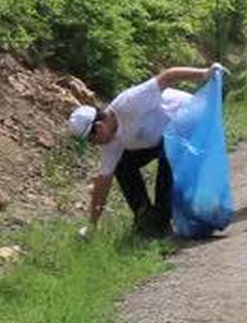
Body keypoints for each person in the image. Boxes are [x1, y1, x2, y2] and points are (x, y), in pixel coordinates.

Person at [68, 64, 223, 237]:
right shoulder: (110, 143)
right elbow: (103, 182)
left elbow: (167, 76)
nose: (93, 145)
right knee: (123, 166)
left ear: (98, 126)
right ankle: (146, 219)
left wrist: (205, 73)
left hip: (191, 120)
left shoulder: (129, 103)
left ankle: (162, 223)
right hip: (161, 137)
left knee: (168, 158)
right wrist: (92, 225)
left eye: (91, 139)